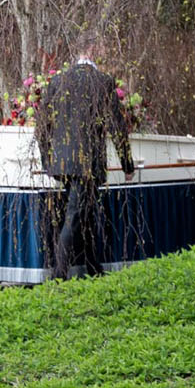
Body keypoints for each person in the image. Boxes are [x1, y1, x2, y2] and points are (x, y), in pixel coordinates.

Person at [35, 35, 135, 279]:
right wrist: (127, 164)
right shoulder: (102, 82)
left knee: (85, 211)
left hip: (62, 161)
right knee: (75, 215)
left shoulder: (58, 80)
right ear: (91, 50)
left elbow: (42, 126)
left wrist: (48, 161)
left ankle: (92, 267)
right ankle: (59, 275)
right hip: (87, 161)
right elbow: (116, 125)